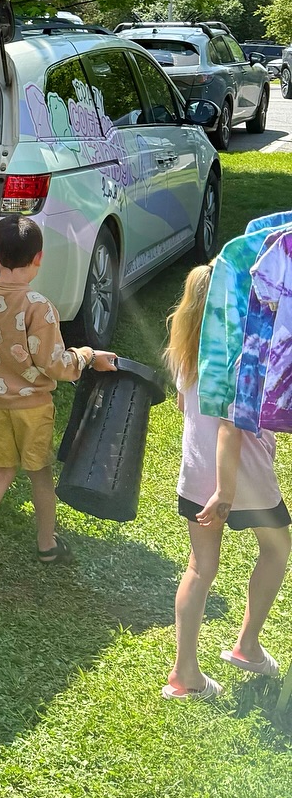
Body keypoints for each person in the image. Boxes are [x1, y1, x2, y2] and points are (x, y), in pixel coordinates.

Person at [0, 214, 115, 581]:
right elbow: (54, 364)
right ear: (39, 259)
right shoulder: (38, 306)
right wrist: (86, 356)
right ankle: (47, 544)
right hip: (31, 407)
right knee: (39, 474)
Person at [165, 262, 288, 699]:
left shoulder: (186, 346)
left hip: (195, 475)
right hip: (240, 477)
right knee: (277, 549)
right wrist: (226, 492)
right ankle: (247, 645)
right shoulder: (240, 352)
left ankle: (184, 676)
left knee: (200, 569)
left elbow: (184, 407)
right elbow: (231, 429)